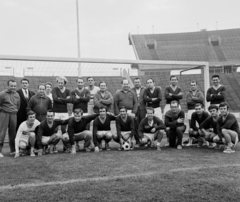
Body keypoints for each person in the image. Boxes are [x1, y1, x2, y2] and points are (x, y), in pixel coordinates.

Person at [0, 80, 21, 157]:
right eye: (11, 86)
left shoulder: (17, 94)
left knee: (13, 133)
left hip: (13, 114)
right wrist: (3, 112)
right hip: (4, 114)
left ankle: (13, 150)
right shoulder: (2, 94)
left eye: (14, 86)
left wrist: (14, 112)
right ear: (8, 85)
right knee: (2, 133)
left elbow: (18, 106)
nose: (13, 87)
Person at [131, 77, 146, 145]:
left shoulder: (145, 89)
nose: (137, 83)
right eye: (135, 82)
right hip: (135, 109)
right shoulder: (131, 90)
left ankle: (144, 140)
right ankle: (137, 141)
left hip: (143, 109)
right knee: (135, 125)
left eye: (138, 82)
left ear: (140, 82)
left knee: (142, 124)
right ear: (134, 83)